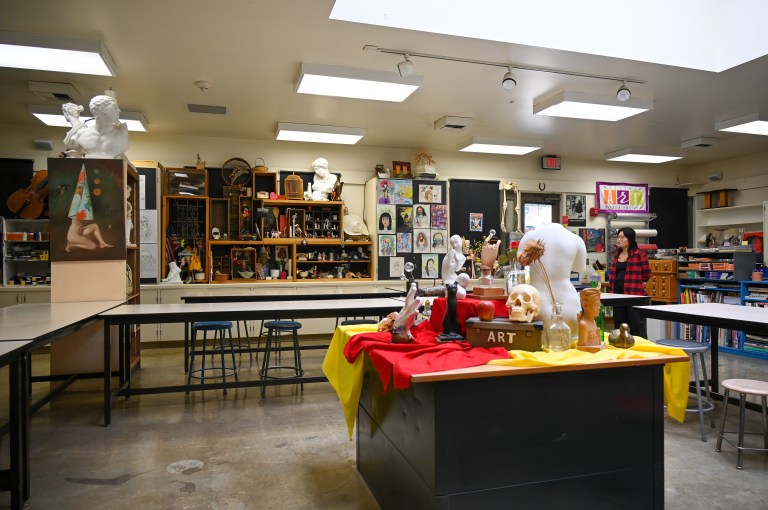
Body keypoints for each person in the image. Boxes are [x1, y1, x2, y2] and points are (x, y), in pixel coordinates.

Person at [608, 227, 652, 338]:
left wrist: (635, 282)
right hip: (617, 294)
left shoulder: (639, 254)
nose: (619, 240)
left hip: (633, 294)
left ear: (630, 239)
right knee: (619, 323)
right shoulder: (617, 254)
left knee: (635, 324)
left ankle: (638, 348)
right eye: (618, 237)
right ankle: (621, 344)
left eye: (622, 237)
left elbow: (647, 274)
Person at [62, 95, 129, 158]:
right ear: (102, 109)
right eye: (114, 107)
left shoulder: (122, 133)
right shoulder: (81, 134)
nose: (119, 110)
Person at [65, 165, 113, 252]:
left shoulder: (85, 209)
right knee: (92, 246)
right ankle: (71, 245)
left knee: (94, 226)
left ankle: (102, 243)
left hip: (79, 232)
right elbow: (81, 197)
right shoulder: (78, 209)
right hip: (73, 236)